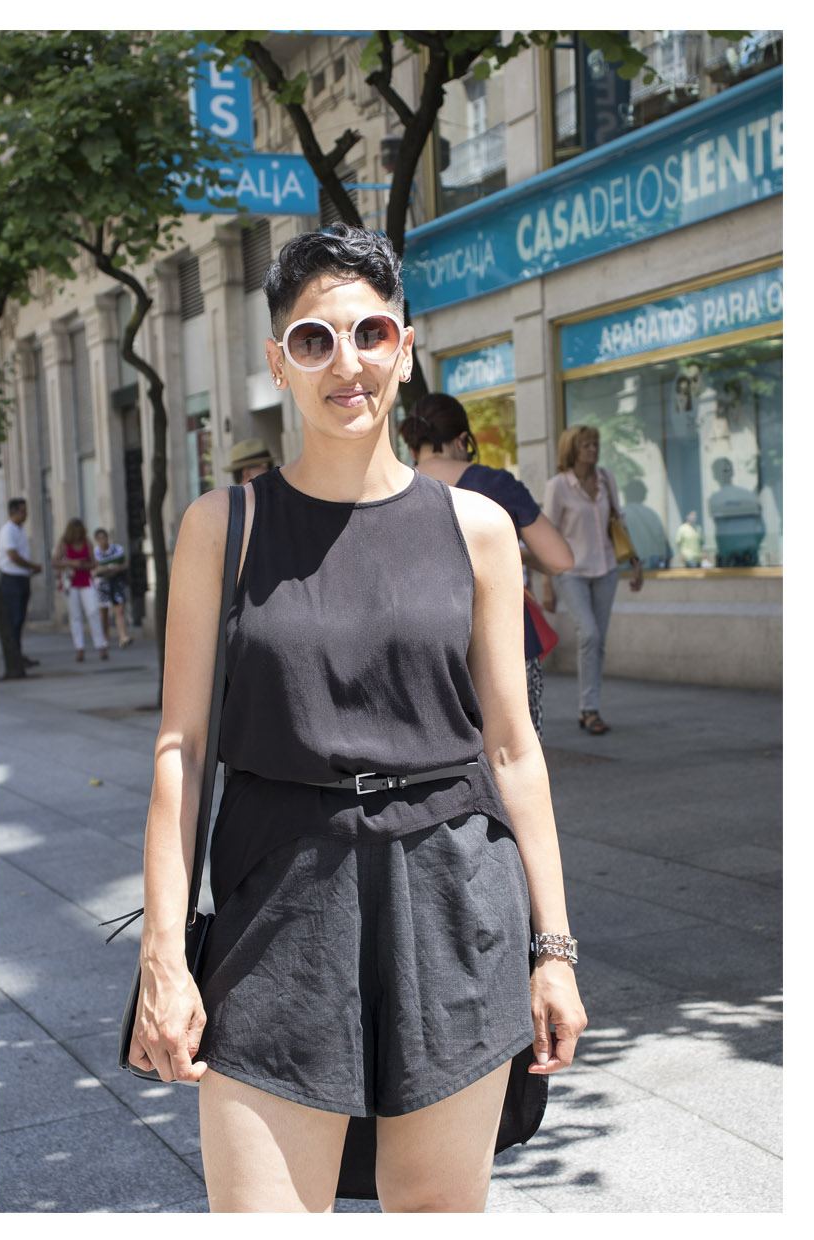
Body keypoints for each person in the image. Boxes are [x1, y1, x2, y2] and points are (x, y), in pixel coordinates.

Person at [130, 226, 584, 1213]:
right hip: (278, 899)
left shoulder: (477, 530)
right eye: (314, 340)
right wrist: (164, 951)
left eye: (369, 332)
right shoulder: (224, 527)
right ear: (278, 362)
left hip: (450, 900)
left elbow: (512, 748)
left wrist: (553, 950)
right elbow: (180, 745)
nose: (346, 363)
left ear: (405, 346)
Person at [403, 392, 574, 737]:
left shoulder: (390, 488)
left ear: (413, 445)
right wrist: (514, 554)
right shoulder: (493, 484)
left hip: (423, 656)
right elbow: (560, 559)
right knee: (514, 759)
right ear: (463, 440)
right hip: (503, 649)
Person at [540, 424, 643, 735]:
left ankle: (592, 708)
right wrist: (547, 582)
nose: (592, 450)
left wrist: (634, 562)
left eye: (595, 444)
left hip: (607, 569)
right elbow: (549, 534)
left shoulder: (606, 479)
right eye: (586, 445)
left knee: (598, 641)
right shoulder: (558, 486)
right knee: (590, 635)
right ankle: (588, 708)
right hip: (571, 573)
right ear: (572, 449)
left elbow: (618, 522)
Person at [0, 497, 42, 673]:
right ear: (13, 512)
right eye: (23, 511)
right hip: (11, 579)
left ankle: (18, 655)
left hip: (21, 578)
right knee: (14, 619)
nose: (26, 514)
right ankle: (15, 657)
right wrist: (33, 566)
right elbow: (13, 555)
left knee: (19, 618)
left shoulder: (19, 529)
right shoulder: (8, 530)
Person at [53, 518, 107, 662]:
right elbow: (55, 561)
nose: (78, 535)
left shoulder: (86, 542)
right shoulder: (64, 543)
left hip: (86, 581)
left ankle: (100, 645)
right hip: (71, 583)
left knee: (93, 612)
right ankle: (79, 648)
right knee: (75, 616)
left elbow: (94, 563)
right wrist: (71, 563)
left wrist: (83, 565)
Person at [92, 526, 134, 648]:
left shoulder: (117, 549)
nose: (102, 541)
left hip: (116, 582)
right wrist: (110, 568)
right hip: (102, 585)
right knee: (104, 613)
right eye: (99, 539)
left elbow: (124, 563)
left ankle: (123, 636)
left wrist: (107, 569)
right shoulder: (95, 552)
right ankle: (105, 637)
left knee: (119, 610)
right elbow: (96, 570)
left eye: (103, 538)